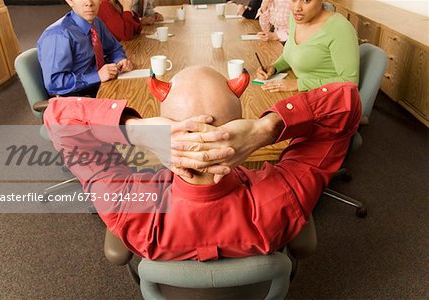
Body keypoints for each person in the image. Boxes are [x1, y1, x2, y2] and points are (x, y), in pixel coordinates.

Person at [44, 66, 361, 261]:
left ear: (163, 130)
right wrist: (267, 129)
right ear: (237, 129)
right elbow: (345, 102)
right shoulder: (284, 199)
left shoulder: (130, 209)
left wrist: (135, 130)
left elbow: (58, 117)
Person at [257, 0, 359, 93]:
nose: (297, 8)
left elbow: (350, 82)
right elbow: (293, 52)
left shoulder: (340, 28)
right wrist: (274, 67)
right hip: (302, 93)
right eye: (293, 0)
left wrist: (298, 84)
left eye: (306, 1)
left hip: (329, 99)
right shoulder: (296, 18)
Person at [37, 0, 134, 97]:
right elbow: (55, 83)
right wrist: (97, 76)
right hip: (74, 98)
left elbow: (114, 48)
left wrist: (120, 59)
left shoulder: (96, 22)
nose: (89, 3)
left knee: (136, 92)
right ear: (70, 1)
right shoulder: (58, 35)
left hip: (101, 86)